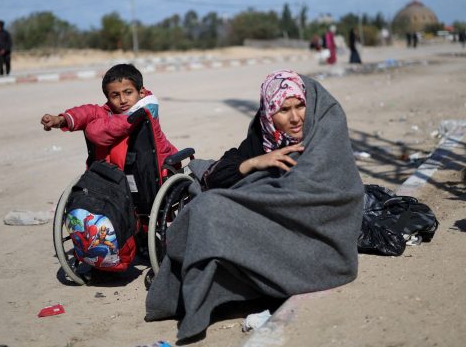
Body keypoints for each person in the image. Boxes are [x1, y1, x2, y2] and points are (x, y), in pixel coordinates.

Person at [145, 70, 364, 341]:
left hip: (318, 244)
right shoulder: (262, 139)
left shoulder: (323, 135)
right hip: (272, 234)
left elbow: (337, 197)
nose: (295, 118)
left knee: (209, 209)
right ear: (269, 113)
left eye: (300, 106)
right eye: (284, 110)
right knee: (207, 208)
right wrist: (256, 163)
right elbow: (218, 175)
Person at [40, 63, 177, 170]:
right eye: (115, 95)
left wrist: (90, 126)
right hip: (124, 171)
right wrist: (61, 120)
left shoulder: (146, 110)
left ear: (141, 92)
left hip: (155, 167)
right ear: (108, 98)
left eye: (128, 92)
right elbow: (88, 111)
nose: (123, 100)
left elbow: (103, 130)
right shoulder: (111, 110)